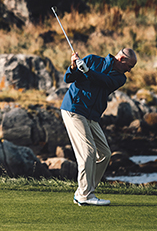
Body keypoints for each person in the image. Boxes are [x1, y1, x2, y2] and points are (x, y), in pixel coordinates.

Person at [60, 47, 138, 206]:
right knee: (88, 151)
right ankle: (85, 195)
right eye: (129, 66)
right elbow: (68, 78)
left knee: (104, 153)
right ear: (121, 60)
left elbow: (104, 81)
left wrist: (87, 71)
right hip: (74, 109)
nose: (129, 70)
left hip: (91, 116)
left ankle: (84, 191)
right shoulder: (91, 60)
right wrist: (74, 66)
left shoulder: (119, 78)